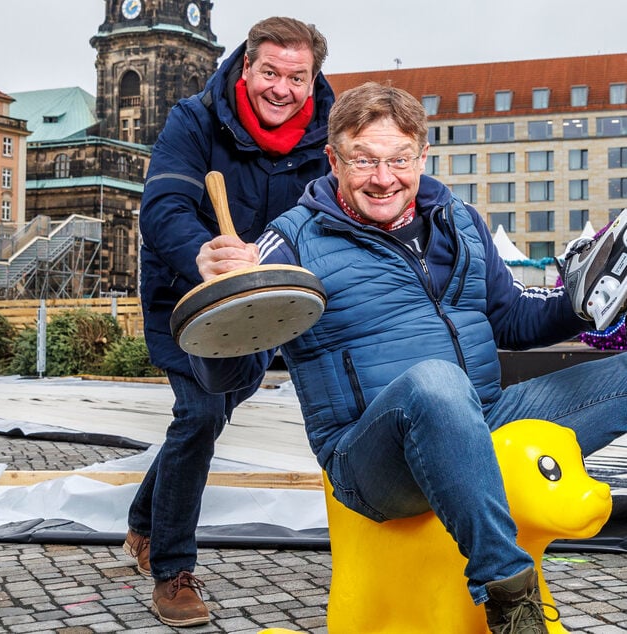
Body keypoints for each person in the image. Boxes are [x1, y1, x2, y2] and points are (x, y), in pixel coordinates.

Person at [190, 81, 627, 634]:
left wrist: (584, 302)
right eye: (364, 160)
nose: (384, 177)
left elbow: (513, 316)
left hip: (485, 417)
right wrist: (225, 300)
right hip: (371, 459)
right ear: (333, 159)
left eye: (399, 158)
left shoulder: (459, 219)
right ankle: (512, 600)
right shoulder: (290, 241)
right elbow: (226, 373)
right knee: (435, 382)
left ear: (423, 155)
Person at [127, 16, 335, 627]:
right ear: (246, 67)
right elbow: (163, 203)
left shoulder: (329, 135)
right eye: (269, 71)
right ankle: (172, 571)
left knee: (214, 412)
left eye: (297, 77)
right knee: (197, 412)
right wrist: (200, 251)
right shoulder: (194, 119)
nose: (281, 88)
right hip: (186, 292)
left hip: (270, 301)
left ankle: (144, 518)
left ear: (313, 78)